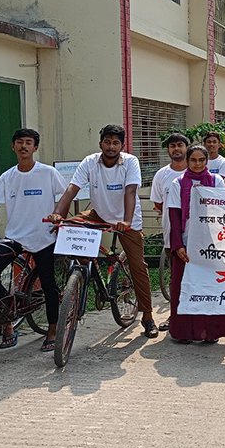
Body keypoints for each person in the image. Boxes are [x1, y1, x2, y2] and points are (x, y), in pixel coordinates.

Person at [0, 129, 66, 351]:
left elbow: (63, 198)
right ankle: (8, 318)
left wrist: (58, 218)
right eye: (19, 142)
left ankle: (53, 329)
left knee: (48, 285)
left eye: (28, 143)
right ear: (13, 146)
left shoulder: (48, 173)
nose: (24, 146)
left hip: (44, 237)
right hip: (15, 237)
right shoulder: (7, 177)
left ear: (35, 147)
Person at [47, 124, 158, 339]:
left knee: (138, 266)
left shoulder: (130, 162)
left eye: (116, 142)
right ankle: (83, 270)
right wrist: (57, 213)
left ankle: (147, 316)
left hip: (127, 220)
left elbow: (131, 190)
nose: (111, 146)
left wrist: (126, 220)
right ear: (101, 144)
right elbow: (73, 188)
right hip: (99, 213)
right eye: (107, 142)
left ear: (121, 146)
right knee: (67, 226)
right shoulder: (90, 162)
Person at [166, 146, 225, 343]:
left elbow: (224, 211)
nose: (197, 164)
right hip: (187, 243)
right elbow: (174, 215)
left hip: (212, 246)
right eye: (193, 160)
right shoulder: (178, 183)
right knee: (183, 287)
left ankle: (211, 332)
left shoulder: (216, 181)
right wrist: (178, 245)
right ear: (187, 161)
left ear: (207, 161)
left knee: (211, 286)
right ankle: (184, 333)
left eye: (201, 160)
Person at [149, 132, 190, 332]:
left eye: (180, 145)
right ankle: (174, 317)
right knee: (176, 279)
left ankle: (198, 319)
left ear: (187, 148)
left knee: (199, 277)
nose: (176, 149)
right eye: (172, 146)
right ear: (168, 150)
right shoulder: (162, 175)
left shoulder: (197, 171)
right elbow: (159, 203)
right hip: (172, 236)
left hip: (198, 239)